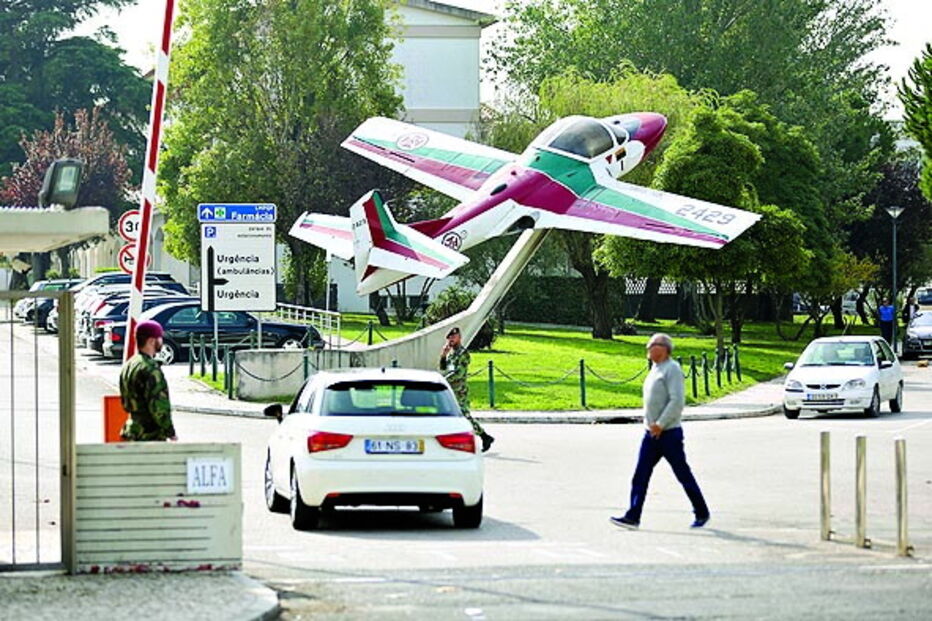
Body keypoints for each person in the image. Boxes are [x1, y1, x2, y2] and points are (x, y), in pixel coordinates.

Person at [611, 333, 709, 530]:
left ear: (663, 348)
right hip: (651, 433)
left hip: (668, 434)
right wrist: (650, 424)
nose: (648, 349)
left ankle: (701, 511)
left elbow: (677, 401)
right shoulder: (655, 369)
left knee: (682, 473)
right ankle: (633, 515)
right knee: (641, 474)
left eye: (651, 345)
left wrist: (661, 424)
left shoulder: (672, 369)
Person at [119, 320, 176, 441]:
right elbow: (159, 406)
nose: (162, 341)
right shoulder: (150, 369)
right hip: (149, 434)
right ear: (151, 340)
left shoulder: (130, 364)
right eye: (159, 337)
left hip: (131, 429)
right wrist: (170, 431)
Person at [440, 327, 494, 452]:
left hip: (459, 390)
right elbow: (445, 369)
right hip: (450, 390)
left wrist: (444, 381)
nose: (451, 340)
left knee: (464, 415)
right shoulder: (451, 353)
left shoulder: (463, 354)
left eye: (453, 337)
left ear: (459, 337)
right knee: (450, 416)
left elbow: (459, 373)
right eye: (449, 338)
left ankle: (484, 437)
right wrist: (443, 355)